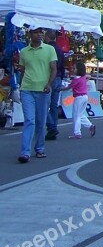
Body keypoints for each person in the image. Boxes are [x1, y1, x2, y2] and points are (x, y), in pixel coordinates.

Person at [17, 27, 57, 162]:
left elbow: (53, 69)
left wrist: (49, 84)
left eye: (41, 32)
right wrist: (21, 85)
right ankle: (25, 152)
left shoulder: (49, 49)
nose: (39, 34)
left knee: (41, 121)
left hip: (43, 90)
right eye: (36, 32)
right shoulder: (24, 52)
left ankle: (39, 148)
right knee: (29, 120)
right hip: (27, 89)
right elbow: (22, 70)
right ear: (30, 34)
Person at [44, 30, 66, 141]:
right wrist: (61, 77)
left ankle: (51, 127)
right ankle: (53, 128)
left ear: (47, 37)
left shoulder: (46, 49)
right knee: (54, 105)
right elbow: (62, 66)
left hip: (49, 78)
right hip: (58, 78)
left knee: (43, 104)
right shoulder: (60, 49)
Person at [67, 61, 95, 139]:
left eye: (74, 68)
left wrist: (60, 89)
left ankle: (77, 133)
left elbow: (68, 87)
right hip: (85, 96)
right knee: (80, 114)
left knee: (76, 115)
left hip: (78, 98)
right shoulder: (83, 78)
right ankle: (90, 126)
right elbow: (88, 77)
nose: (73, 69)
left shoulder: (75, 79)